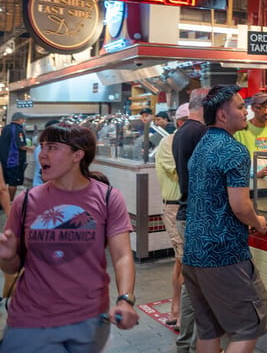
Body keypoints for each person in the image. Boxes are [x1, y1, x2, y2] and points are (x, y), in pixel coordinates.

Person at [0, 124, 138, 352]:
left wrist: (125, 299)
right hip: (31, 319)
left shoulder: (107, 198)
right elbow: (13, 267)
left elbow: (122, 255)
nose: (42, 153)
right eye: (42, 146)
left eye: (52, 147)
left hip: (89, 317)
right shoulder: (25, 202)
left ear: (77, 155)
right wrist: (7, 257)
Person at [182, 85, 267, 353]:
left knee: (208, 330)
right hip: (224, 255)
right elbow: (240, 206)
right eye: (241, 107)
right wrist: (258, 222)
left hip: (194, 252)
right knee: (247, 326)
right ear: (222, 114)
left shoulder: (202, 145)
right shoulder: (234, 150)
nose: (246, 112)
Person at [173, 87, 210, 353]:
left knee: (193, 284)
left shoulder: (182, 131)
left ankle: (185, 343)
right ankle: (200, 345)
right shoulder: (200, 133)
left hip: (186, 213)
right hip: (198, 216)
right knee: (203, 286)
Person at [155, 103, 190, 328]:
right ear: (180, 124)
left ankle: (181, 310)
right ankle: (178, 310)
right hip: (175, 207)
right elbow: (182, 174)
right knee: (182, 259)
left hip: (192, 207)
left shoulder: (193, 143)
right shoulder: (167, 143)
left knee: (185, 260)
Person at [234, 92, 267, 179]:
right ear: (253, 108)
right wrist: (255, 174)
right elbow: (237, 162)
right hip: (251, 183)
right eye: (260, 108)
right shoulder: (241, 129)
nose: (266, 111)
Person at [1, 112, 32, 202]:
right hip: (13, 160)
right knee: (13, 182)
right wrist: (33, 148)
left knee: (4, 181)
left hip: (3, 159)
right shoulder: (18, 130)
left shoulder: (5, 128)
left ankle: (3, 201)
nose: (24, 121)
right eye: (23, 119)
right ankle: (10, 202)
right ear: (20, 120)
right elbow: (21, 146)